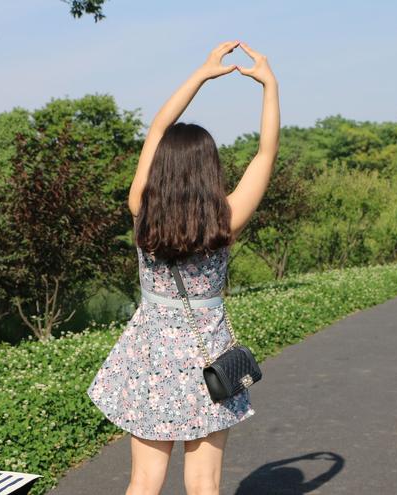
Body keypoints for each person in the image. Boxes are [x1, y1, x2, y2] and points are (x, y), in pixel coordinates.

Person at [86, 40, 280, 495]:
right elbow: (265, 154)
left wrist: (201, 74)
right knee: (204, 483)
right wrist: (269, 85)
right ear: (210, 170)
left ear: (161, 172)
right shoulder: (225, 219)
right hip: (206, 357)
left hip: (149, 355)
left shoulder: (142, 208)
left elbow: (157, 128)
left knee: (144, 481)